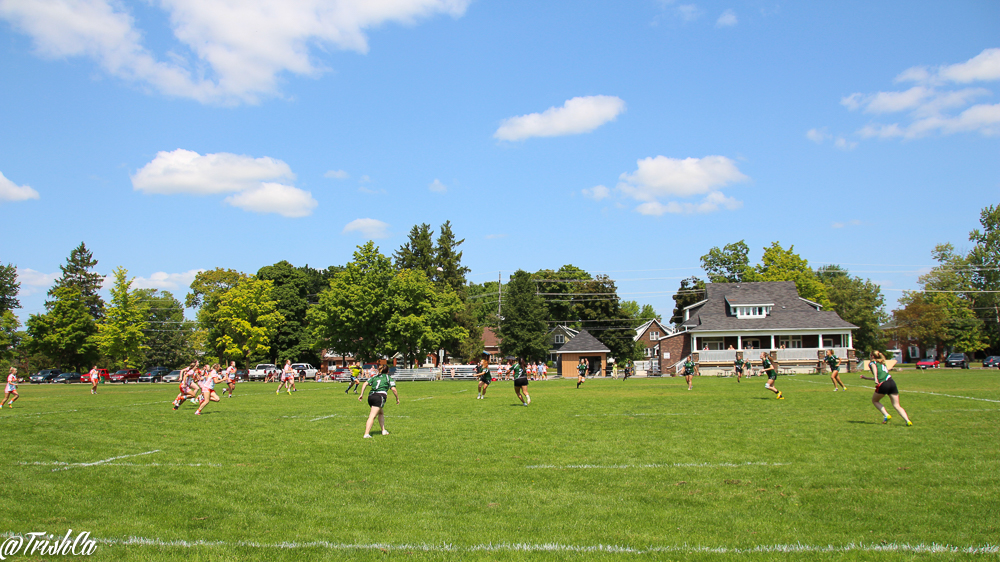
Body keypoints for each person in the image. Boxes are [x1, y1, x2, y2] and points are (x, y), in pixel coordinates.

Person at [860, 351, 912, 426]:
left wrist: (875, 379)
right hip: (891, 382)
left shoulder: (872, 363)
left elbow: (875, 370)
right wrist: (866, 378)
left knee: (875, 401)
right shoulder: (882, 363)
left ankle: (886, 415)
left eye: (870, 355)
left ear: (873, 356)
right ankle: (907, 420)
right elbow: (881, 376)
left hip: (883, 384)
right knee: (897, 405)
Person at [358, 365, 399, 438]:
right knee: (372, 416)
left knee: (381, 412)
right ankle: (366, 434)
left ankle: (383, 430)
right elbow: (393, 389)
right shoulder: (387, 377)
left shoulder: (374, 377)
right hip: (379, 397)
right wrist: (397, 398)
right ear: (388, 371)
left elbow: (365, 383)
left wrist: (361, 394)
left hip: (370, 397)